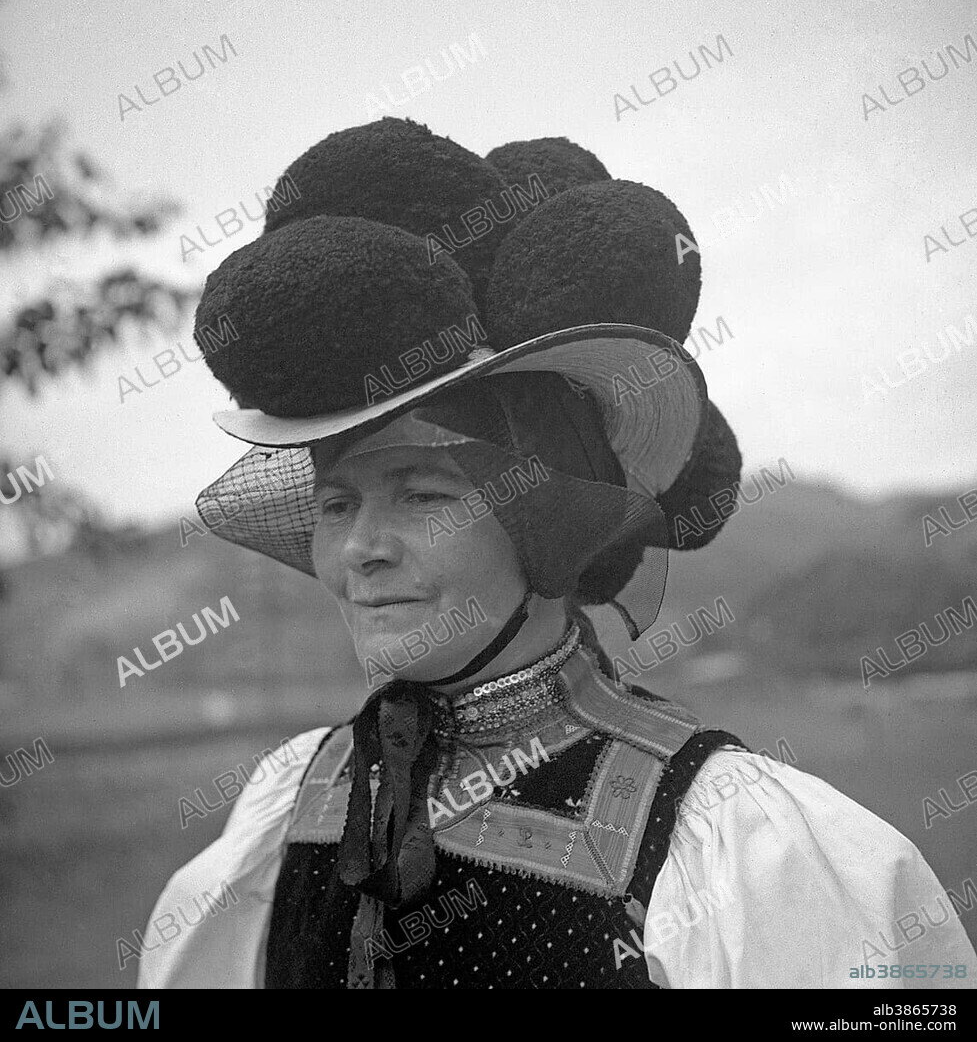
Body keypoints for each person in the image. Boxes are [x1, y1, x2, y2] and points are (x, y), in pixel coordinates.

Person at [138, 119, 977, 989]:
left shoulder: (730, 843)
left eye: (424, 494)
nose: (359, 548)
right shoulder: (291, 803)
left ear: (548, 516)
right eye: (336, 501)